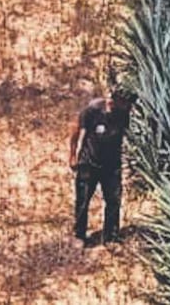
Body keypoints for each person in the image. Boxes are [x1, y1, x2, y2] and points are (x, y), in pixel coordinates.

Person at [67, 72, 137, 248]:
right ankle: (79, 234)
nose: (128, 107)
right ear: (115, 99)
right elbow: (75, 130)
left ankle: (111, 237)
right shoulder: (93, 110)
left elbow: (127, 136)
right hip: (89, 162)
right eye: (125, 103)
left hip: (111, 165)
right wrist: (73, 155)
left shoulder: (123, 115)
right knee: (83, 199)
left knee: (113, 200)